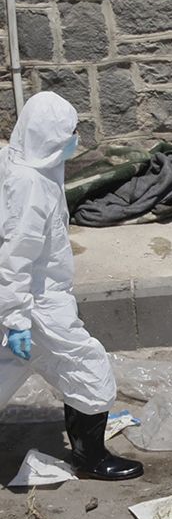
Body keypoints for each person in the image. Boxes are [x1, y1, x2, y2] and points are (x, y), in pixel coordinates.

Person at [0, 93, 143, 480]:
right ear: (48, 136)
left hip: (29, 298)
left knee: (9, 367)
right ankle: (92, 458)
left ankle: (89, 453)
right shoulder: (31, 184)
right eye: (70, 131)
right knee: (87, 365)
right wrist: (16, 318)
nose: (76, 138)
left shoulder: (19, 160)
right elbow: (16, 255)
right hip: (40, 301)